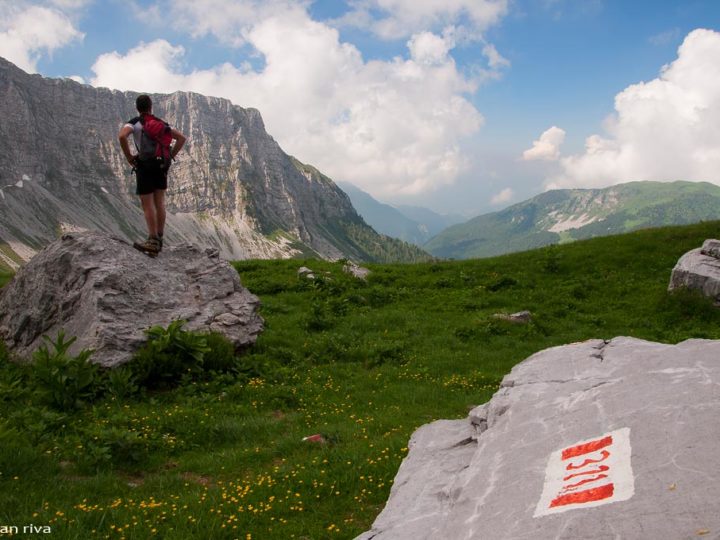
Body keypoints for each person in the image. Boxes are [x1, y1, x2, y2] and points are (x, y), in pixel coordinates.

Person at [118, 94, 186, 255]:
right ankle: (160, 238)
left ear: (137, 108)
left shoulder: (134, 123)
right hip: (161, 165)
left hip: (145, 166)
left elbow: (122, 136)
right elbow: (181, 138)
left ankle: (152, 238)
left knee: (147, 203)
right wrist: (171, 155)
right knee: (160, 202)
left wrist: (129, 157)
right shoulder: (162, 124)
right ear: (151, 107)